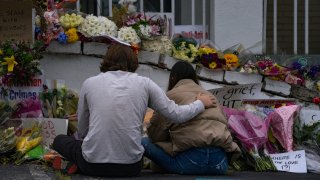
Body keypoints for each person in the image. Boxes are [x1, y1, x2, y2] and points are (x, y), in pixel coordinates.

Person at [52, 43, 216, 177]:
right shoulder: (145, 83)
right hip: (130, 168)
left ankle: (75, 164)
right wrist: (201, 103)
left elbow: (82, 131)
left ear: (106, 60)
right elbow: (177, 114)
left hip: (93, 165)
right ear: (133, 62)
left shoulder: (90, 83)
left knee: (59, 140)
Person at [142, 61, 241, 175]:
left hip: (191, 162)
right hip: (220, 163)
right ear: (194, 77)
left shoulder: (171, 95)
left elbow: (155, 136)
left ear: (173, 78)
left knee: (143, 142)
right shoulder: (211, 97)